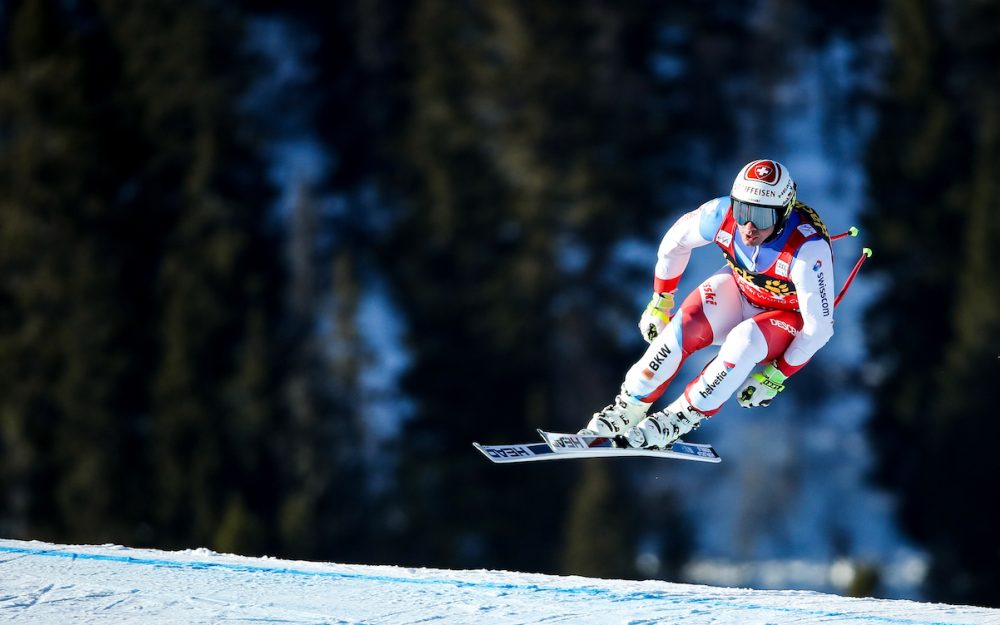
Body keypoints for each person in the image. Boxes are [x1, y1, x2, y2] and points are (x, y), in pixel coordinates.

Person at [582, 159, 835, 449]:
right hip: (741, 290)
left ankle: (679, 418)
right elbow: (674, 243)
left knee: (744, 340)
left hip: (786, 317)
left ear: (785, 213)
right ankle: (626, 408)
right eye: (743, 211)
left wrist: (776, 376)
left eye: (763, 217)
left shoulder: (807, 250)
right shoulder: (719, 213)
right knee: (685, 325)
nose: (749, 227)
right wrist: (661, 301)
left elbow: (820, 328)